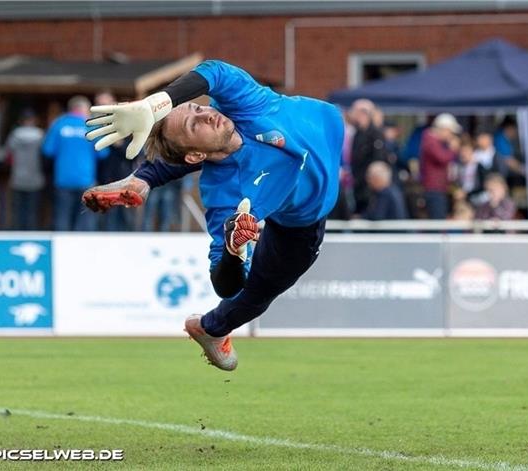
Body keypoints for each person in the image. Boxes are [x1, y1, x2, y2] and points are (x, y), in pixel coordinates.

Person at [84, 60, 342, 371]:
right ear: (194, 158)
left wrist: (155, 103)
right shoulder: (226, 196)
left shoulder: (242, 105)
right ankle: (210, 329)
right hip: (302, 221)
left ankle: (145, 177)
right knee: (259, 292)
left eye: (196, 108)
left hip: (325, 128)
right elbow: (226, 285)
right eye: (195, 123)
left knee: (221, 144)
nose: (207, 114)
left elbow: (214, 72)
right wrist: (234, 253)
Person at [42, 95, 109, 231]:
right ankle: (82, 251)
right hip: (86, 180)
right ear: (84, 109)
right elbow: (103, 153)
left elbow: (47, 151)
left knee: (62, 219)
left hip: (63, 180)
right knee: (85, 221)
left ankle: (62, 250)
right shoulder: (91, 125)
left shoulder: (59, 124)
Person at [94, 91, 142, 232]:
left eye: (105, 105)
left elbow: (135, 153)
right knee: (105, 221)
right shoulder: (91, 126)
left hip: (124, 180)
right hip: (101, 181)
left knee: (127, 220)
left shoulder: (126, 125)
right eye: (100, 105)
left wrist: (118, 143)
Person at [4, 109, 45, 230]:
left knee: (18, 209)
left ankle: (18, 233)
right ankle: (31, 232)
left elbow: (7, 154)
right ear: (34, 121)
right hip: (36, 177)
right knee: (32, 209)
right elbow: (47, 153)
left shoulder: (14, 135)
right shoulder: (41, 135)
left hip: (18, 177)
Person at [347, 99, 387, 214]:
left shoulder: (375, 134)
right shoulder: (357, 134)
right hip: (358, 184)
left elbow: (379, 159)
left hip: (370, 187)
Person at [420, 113, 460, 219]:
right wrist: (452, 150)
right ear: (444, 129)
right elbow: (442, 158)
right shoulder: (431, 141)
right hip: (434, 189)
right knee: (437, 222)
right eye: (450, 132)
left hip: (439, 189)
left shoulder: (435, 142)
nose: (451, 136)